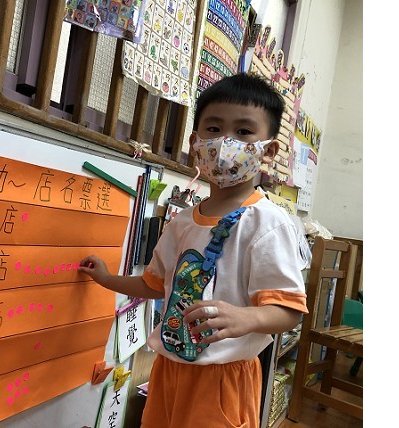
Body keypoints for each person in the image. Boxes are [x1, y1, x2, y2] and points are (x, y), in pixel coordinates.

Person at [78, 73, 308, 427]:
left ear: (268, 150)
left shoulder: (268, 224)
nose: (226, 142)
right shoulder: (183, 222)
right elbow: (155, 285)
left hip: (223, 379)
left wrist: (246, 318)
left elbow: (289, 312)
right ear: (195, 141)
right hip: (168, 370)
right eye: (214, 129)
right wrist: (107, 279)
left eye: (244, 132)